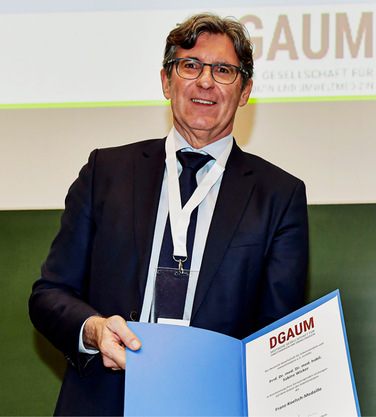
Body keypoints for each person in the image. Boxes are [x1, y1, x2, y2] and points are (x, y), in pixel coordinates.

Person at [29, 13, 309, 416]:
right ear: (166, 81)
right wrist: (92, 331)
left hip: (214, 405)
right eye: (190, 65)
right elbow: (49, 294)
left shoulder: (279, 195)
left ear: (245, 90)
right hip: (104, 400)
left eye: (224, 71)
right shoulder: (105, 172)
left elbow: (278, 336)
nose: (205, 81)